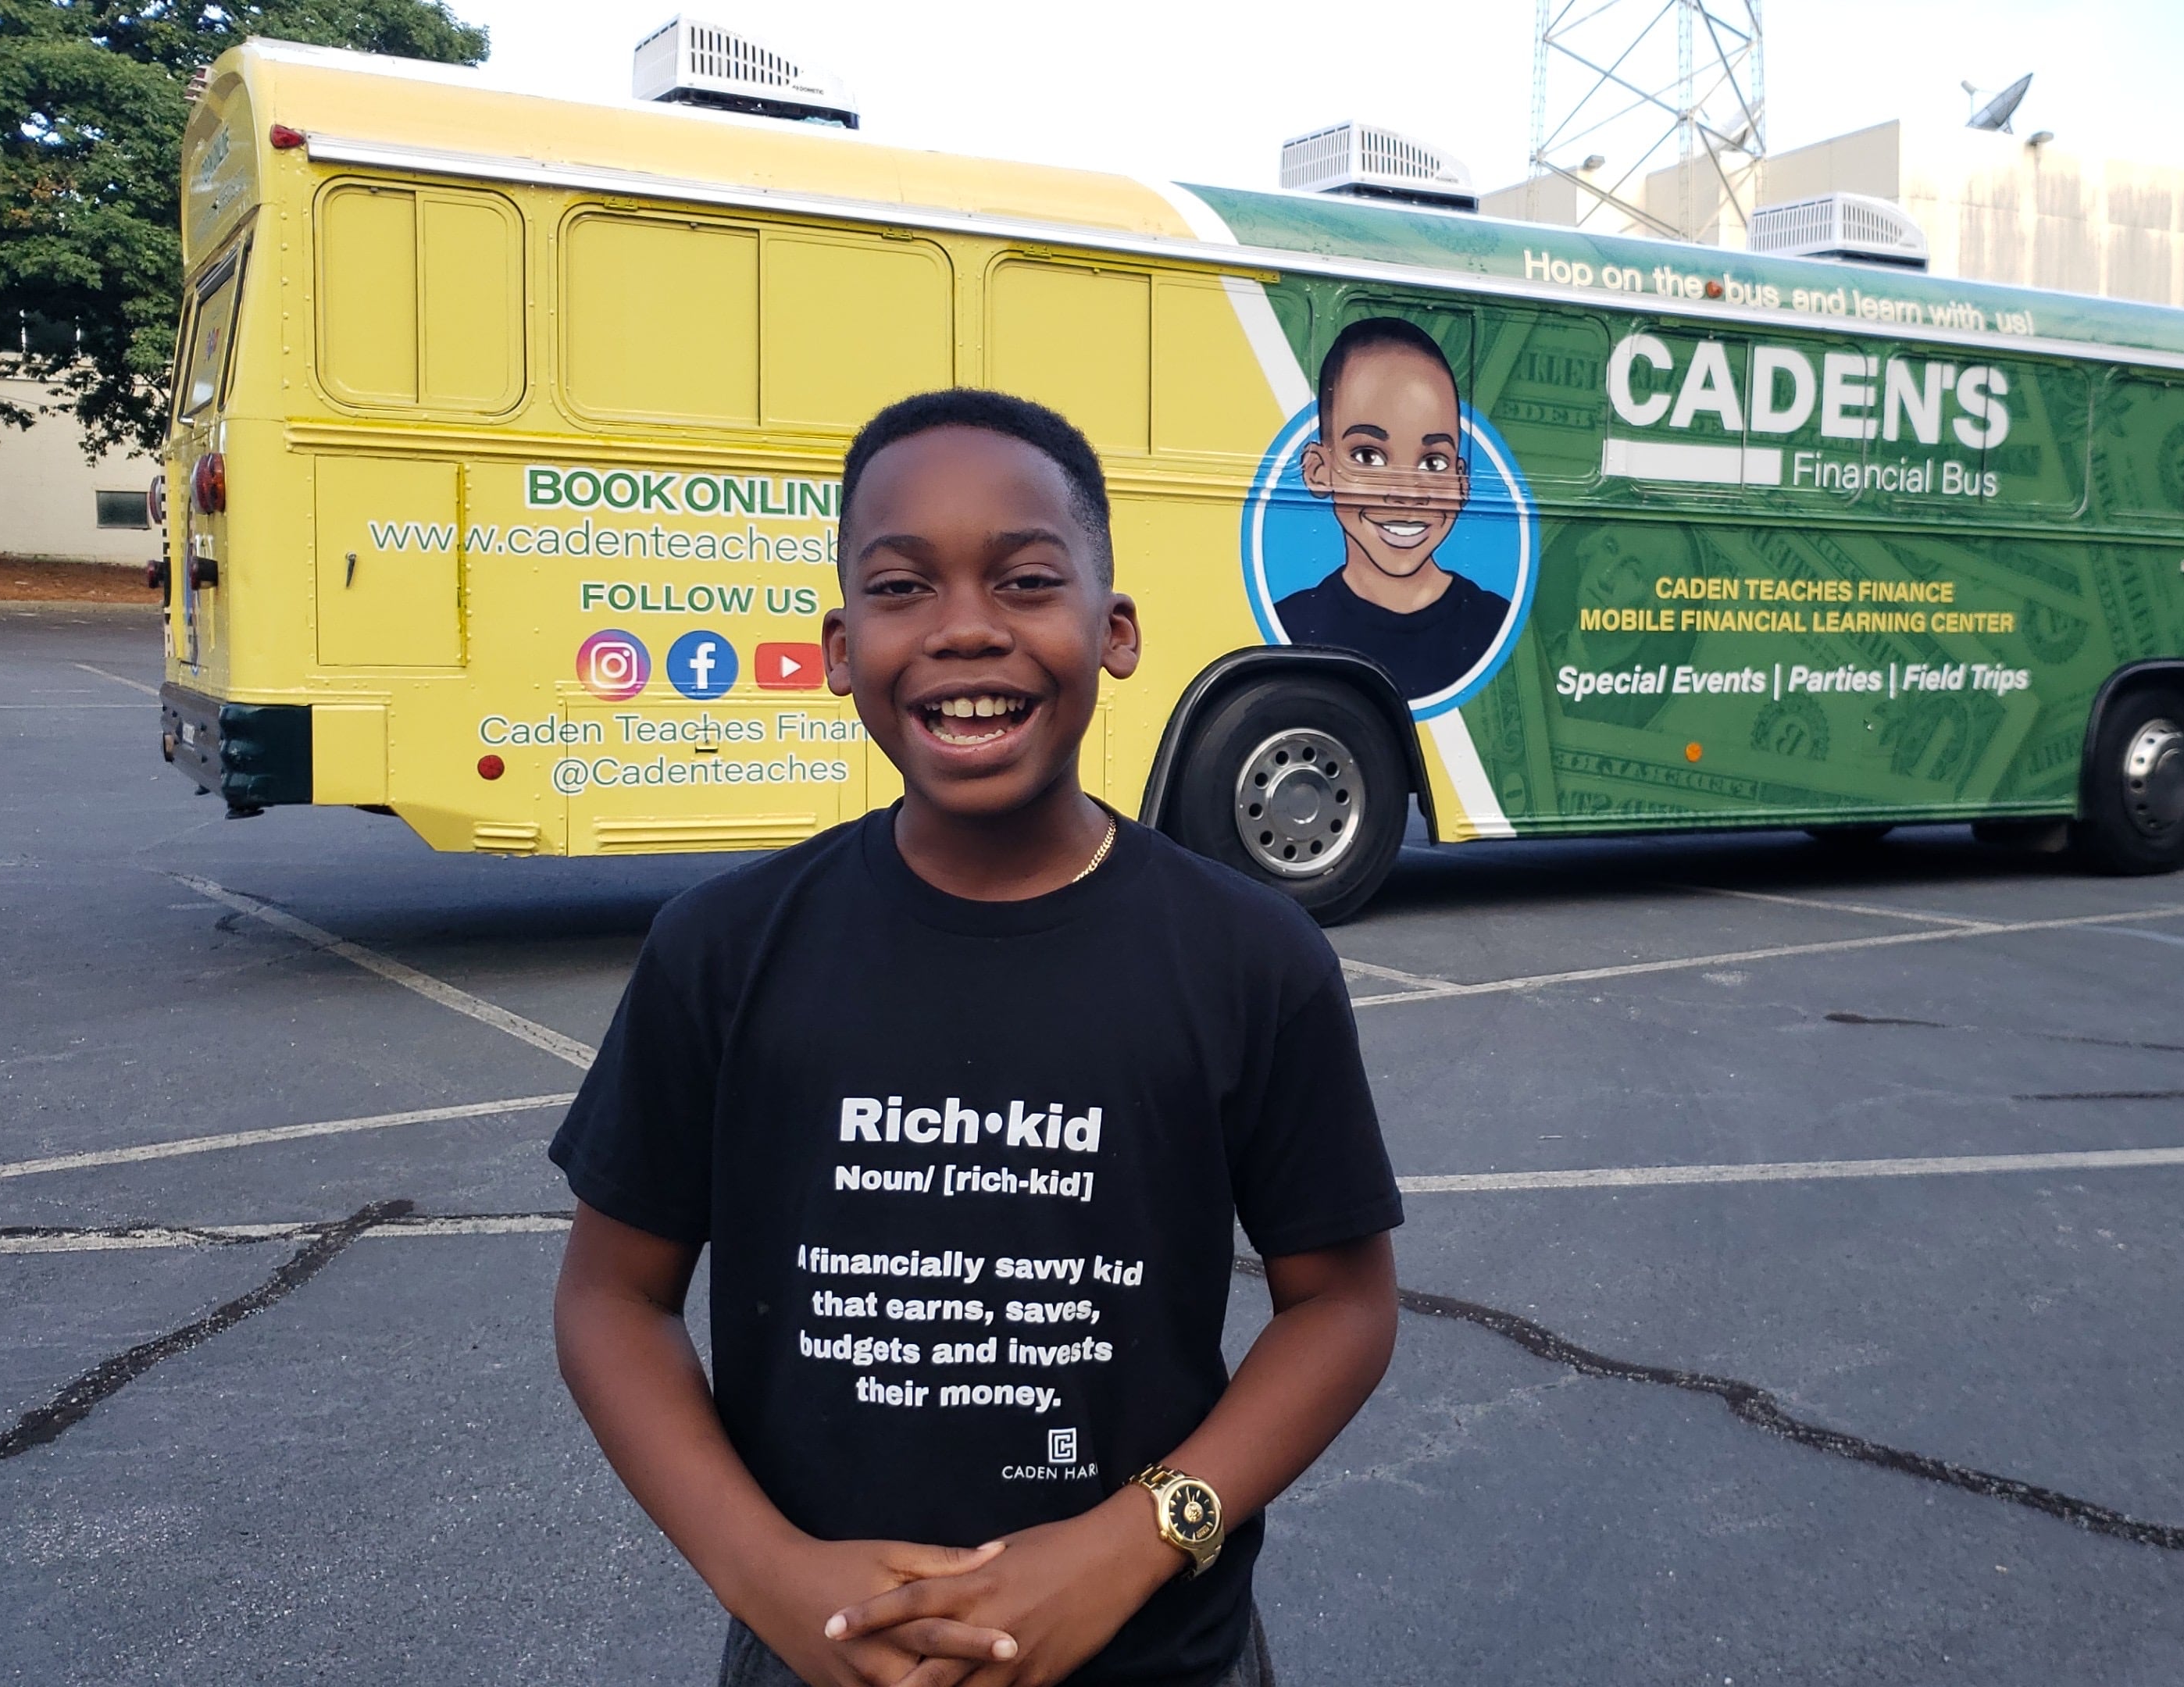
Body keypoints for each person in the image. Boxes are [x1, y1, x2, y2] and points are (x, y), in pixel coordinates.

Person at [550, 388, 1404, 1687]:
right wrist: (769, 1578)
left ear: (1111, 633)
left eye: (1024, 580)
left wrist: (1130, 1546)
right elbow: (612, 1299)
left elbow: (1340, 1307)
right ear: (840, 648)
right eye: (901, 588)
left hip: (1158, 1653)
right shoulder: (723, 951)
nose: (964, 629)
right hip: (824, 1654)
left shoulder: (1249, 958)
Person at [1272, 317, 1513, 701]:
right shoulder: (1292, 624)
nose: (1406, 493)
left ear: (1462, 482)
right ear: (1318, 470)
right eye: (1368, 456)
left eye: (1433, 462)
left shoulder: (1494, 624)